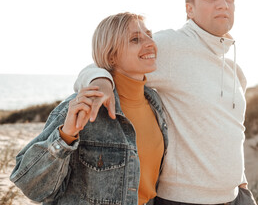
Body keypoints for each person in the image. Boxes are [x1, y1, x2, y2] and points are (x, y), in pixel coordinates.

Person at [74, 0, 257, 205]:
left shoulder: (234, 69)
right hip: (183, 200)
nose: (222, 4)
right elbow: (100, 63)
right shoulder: (173, 46)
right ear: (189, 9)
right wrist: (101, 82)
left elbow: (231, 131)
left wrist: (241, 183)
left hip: (235, 196)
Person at [10, 12, 168, 205]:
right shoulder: (83, 107)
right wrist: (66, 136)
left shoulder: (156, 103)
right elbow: (29, 184)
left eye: (149, 35)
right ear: (111, 56)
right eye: (135, 39)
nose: (150, 42)